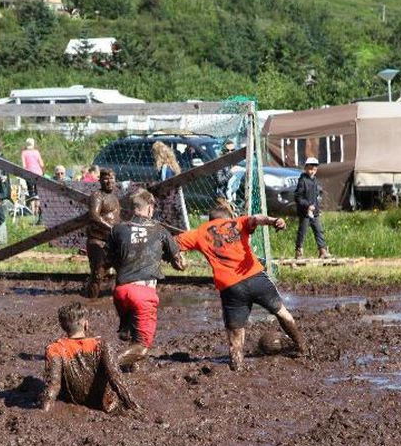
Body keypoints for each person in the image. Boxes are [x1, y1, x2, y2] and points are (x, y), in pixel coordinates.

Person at [176, 200, 308, 371]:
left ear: (210, 220)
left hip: (231, 287)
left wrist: (178, 258)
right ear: (229, 216)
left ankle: (237, 367)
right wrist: (274, 221)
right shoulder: (237, 222)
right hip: (255, 277)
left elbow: (172, 243)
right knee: (282, 313)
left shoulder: (199, 233)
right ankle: (302, 347)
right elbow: (256, 219)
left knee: (235, 336)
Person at [106, 188, 186, 369]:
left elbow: (108, 259)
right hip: (143, 292)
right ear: (149, 207)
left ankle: (129, 354)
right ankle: (105, 366)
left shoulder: (117, 229)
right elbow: (180, 264)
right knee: (142, 347)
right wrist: (175, 259)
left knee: (131, 331)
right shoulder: (159, 230)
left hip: (120, 291)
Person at [40, 302, 139, 413]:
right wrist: (134, 407)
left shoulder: (55, 348)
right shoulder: (101, 345)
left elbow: (53, 385)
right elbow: (116, 378)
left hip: (72, 402)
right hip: (103, 404)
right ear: (86, 324)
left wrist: (44, 411)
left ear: (63, 327)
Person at [85, 169, 120, 299]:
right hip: (98, 241)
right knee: (98, 274)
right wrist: (111, 228)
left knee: (122, 270)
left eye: (111, 178)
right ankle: (91, 300)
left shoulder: (114, 197)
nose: (109, 181)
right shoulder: (97, 196)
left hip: (113, 242)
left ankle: (117, 298)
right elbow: (94, 216)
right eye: (105, 178)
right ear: (99, 180)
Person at [294, 157, 330, 259]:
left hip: (315, 212)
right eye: (310, 169)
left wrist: (317, 207)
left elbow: (317, 195)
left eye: (314, 169)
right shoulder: (303, 181)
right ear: (305, 168)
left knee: (319, 230)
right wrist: (307, 205)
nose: (312, 172)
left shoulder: (315, 181)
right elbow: (298, 197)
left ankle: (322, 251)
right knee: (302, 232)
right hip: (305, 212)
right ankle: (299, 252)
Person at [152, 140, 189, 230]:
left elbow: (163, 184)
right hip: (176, 197)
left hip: (167, 199)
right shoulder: (173, 165)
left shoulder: (164, 168)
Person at [21, 137, 44, 217]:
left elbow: (24, 165)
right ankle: (37, 210)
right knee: (38, 192)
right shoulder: (36, 152)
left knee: (31, 192)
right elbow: (41, 164)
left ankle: (32, 211)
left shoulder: (24, 153)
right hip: (38, 173)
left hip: (29, 174)